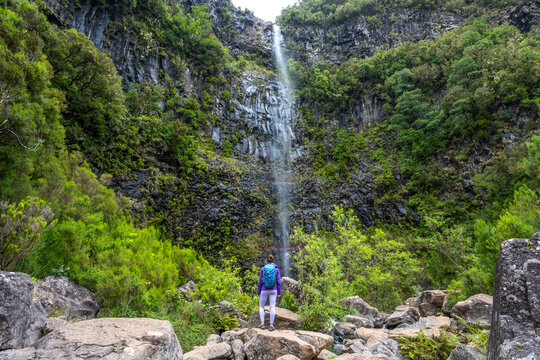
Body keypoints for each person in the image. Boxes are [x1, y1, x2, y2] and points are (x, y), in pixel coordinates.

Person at [257, 254, 281, 331]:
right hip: (274, 290)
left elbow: (260, 281)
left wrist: (259, 292)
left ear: (266, 261)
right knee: (272, 307)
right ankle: (271, 325)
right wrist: (279, 292)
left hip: (264, 289)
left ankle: (262, 323)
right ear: (274, 261)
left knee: (261, 306)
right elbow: (278, 281)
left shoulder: (263, 269)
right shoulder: (276, 269)